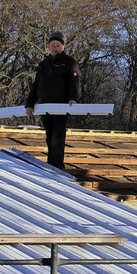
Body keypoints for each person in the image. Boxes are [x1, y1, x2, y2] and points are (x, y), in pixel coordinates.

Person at [25, 31, 81, 170]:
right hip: (45, 106)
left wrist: (73, 98)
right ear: (49, 46)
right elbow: (36, 85)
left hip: (61, 106)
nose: (55, 48)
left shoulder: (69, 62)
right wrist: (30, 103)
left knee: (58, 137)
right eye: (53, 45)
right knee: (49, 136)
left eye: (58, 45)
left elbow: (74, 82)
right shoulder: (44, 64)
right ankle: (50, 165)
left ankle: (57, 166)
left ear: (63, 47)